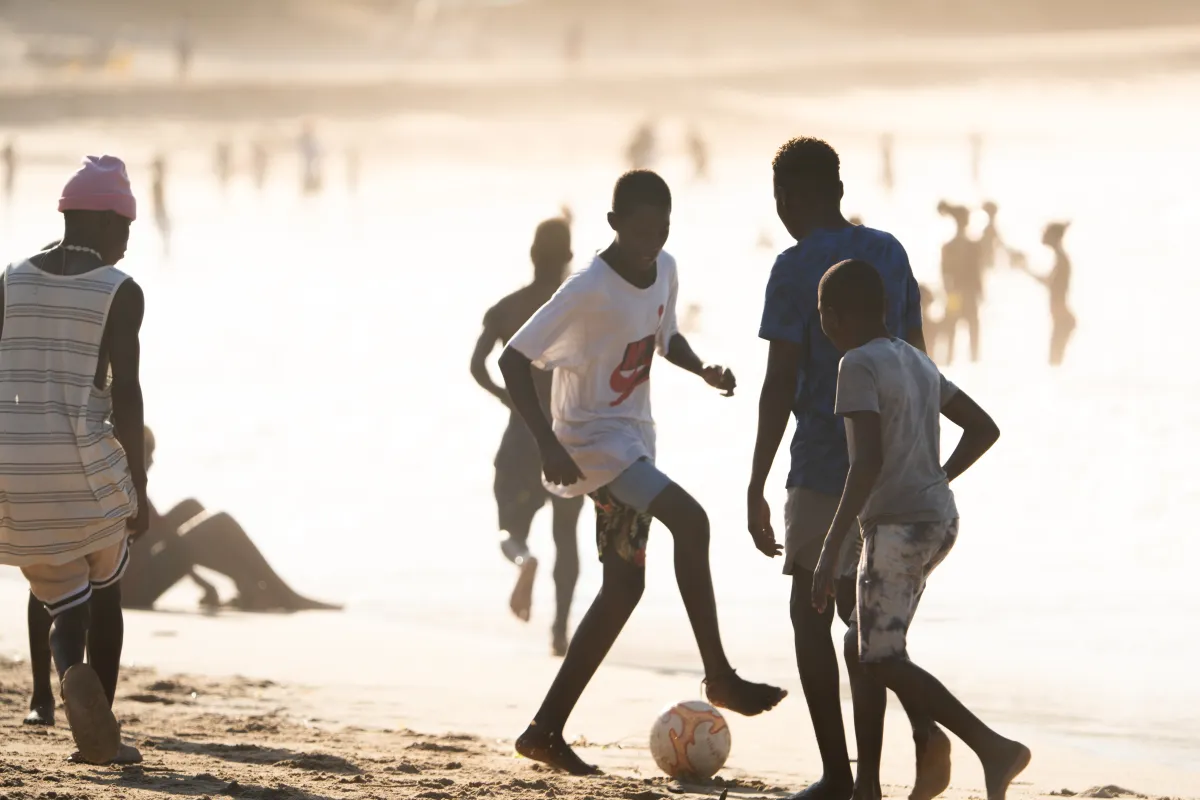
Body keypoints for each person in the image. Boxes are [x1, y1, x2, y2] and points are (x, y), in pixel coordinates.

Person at [500, 170, 786, 775]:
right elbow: (512, 358)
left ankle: (544, 730)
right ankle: (721, 675)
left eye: (662, 227)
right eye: (640, 228)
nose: (652, 239)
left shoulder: (666, 267)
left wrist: (701, 368)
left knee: (623, 589)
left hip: (634, 439)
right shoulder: (587, 289)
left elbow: (664, 336)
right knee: (693, 520)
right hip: (591, 444)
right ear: (612, 225)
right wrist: (548, 443)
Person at [748, 137, 944, 800]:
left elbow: (779, 384)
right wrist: (925, 457)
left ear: (794, 197)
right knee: (866, 625)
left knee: (812, 614)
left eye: (781, 198)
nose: (780, 210)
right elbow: (919, 363)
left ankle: (840, 776)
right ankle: (879, 771)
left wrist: (754, 483)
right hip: (891, 466)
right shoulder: (888, 252)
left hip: (824, 464)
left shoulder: (794, 267)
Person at [810, 258, 1031, 800]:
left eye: (822, 317)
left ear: (834, 317)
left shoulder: (855, 364)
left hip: (897, 526)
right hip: (937, 519)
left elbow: (864, 465)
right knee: (862, 644)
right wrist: (937, 478)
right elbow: (984, 427)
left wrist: (829, 549)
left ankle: (992, 747)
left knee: (879, 655)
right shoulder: (916, 361)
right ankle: (869, 784)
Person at [0, 155, 148, 765]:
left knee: (62, 596)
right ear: (104, 221)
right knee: (106, 593)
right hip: (86, 469)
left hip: (14, 470)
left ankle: (69, 674)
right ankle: (100, 727)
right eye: (125, 226)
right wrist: (137, 485)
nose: (127, 239)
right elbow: (129, 395)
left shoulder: (10, 278)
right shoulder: (120, 290)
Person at [470, 217, 585, 656]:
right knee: (566, 535)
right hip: (568, 437)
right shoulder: (576, 309)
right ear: (568, 258)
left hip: (521, 435)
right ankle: (559, 631)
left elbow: (477, 365)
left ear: (532, 256)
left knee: (509, 529)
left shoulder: (507, 308)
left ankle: (523, 559)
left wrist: (507, 398)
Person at [1021, 222, 1075, 366]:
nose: (1043, 236)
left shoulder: (1062, 260)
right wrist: (1026, 270)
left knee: (1055, 361)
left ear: (1054, 237)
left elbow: (1053, 285)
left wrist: (1026, 269)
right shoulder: (1060, 259)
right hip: (1061, 317)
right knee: (1055, 361)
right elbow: (1051, 283)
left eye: (1046, 233)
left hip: (1062, 318)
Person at [937, 201, 983, 364]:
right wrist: (980, 292)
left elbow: (944, 274)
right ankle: (973, 362)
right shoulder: (972, 246)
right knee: (971, 330)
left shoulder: (949, 246)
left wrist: (948, 293)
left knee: (952, 329)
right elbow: (977, 272)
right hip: (965, 293)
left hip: (955, 294)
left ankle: (950, 362)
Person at [151, 155, 170, 256]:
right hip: (160, 212)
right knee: (165, 234)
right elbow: (157, 201)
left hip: (160, 212)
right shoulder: (157, 183)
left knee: (165, 234)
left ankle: (165, 252)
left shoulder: (157, 182)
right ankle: (165, 252)